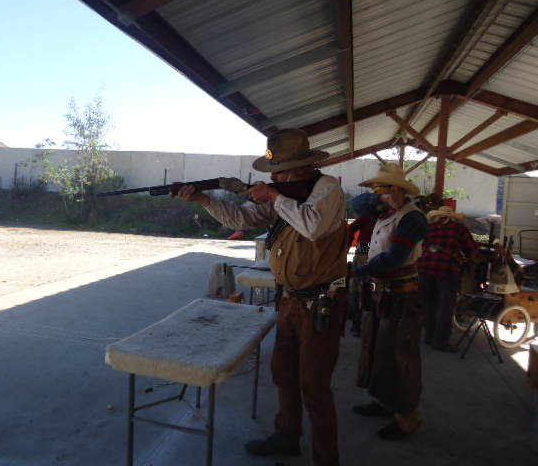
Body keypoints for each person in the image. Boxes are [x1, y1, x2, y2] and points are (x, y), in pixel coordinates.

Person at [173, 128, 349, 466]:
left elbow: (312, 226)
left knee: (314, 386)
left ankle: (327, 459)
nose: (274, 177)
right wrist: (204, 200)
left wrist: (274, 196)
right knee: (283, 373)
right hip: (289, 300)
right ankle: (286, 437)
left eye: (279, 171)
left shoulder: (326, 188)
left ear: (300, 168)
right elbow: (243, 218)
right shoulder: (284, 194)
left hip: (320, 303)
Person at [348, 163, 427, 440]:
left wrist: (358, 271)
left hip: (402, 295)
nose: (373, 195)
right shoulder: (386, 211)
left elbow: (395, 258)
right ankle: (383, 401)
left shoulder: (412, 218)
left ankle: (407, 417)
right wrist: (382, 196)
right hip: (382, 292)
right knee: (377, 349)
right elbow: (358, 203)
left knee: (400, 354)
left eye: (379, 189)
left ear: (397, 190)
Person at [418, 205, 479, 351]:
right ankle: (440, 341)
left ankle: (429, 336)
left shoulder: (429, 227)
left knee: (429, 303)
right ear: (452, 217)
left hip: (424, 266)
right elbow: (472, 251)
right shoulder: (459, 228)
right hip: (446, 268)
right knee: (446, 305)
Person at [347, 213, 377, 337]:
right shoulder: (388, 216)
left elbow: (351, 228)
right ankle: (370, 324)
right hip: (378, 255)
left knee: (356, 289)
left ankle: (356, 324)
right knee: (373, 289)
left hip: (362, 253)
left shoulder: (367, 216)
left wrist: (347, 246)